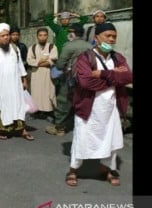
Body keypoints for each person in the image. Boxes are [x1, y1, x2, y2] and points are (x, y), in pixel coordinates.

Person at [65, 23, 133, 187]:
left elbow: (128, 77)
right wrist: (114, 78)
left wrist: (103, 74)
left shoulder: (118, 58)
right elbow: (86, 82)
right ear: (96, 38)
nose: (111, 39)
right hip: (88, 109)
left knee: (112, 140)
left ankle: (109, 169)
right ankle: (73, 170)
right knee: (82, 139)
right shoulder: (85, 57)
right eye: (107, 36)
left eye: (114, 36)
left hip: (110, 110)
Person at [0, 23, 34, 141]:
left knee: (19, 105)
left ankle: (22, 129)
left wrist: (24, 79)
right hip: (1, 86)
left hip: (15, 85)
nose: (6, 37)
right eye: (3, 36)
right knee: (3, 107)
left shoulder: (14, 49)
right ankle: (3, 130)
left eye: (7, 35)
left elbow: (20, 65)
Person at [45, 23, 92, 136]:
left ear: (72, 34)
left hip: (70, 78)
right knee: (83, 101)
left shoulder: (69, 45)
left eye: (69, 33)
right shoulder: (90, 46)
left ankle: (59, 128)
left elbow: (60, 65)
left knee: (63, 101)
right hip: (86, 79)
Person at [27, 28, 58, 120]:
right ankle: (36, 112)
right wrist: (41, 61)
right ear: (37, 36)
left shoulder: (52, 47)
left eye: (45, 35)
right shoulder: (32, 48)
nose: (42, 37)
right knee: (36, 93)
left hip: (47, 74)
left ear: (47, 36)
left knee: (49, 93)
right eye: (40, 35)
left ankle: (48, 113)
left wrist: (38, 62)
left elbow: (52, 60)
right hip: (36, 74)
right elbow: (29, 61)